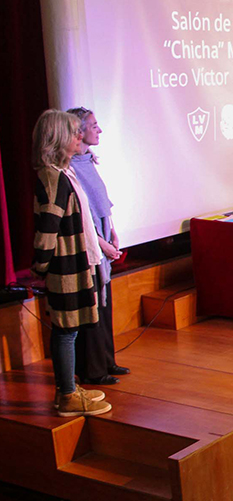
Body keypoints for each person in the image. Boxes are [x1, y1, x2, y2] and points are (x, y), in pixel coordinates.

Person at [30, 109, 111, 416]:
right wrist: (40, 266)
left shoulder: (64, 173)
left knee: (72, 330)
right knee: (65, 331)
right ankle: (66, 395)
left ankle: (69, 387)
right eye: (74, 132)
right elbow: (48, 229)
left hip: (76, 261)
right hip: (63, 266)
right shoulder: (51, 177)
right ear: (58, 138)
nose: (80, 136)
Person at [67, 107, 130, 385]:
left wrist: (113, 232)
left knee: (105, 306)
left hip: (103, 242)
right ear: (78, 132)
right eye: (93, 125)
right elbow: (83, 215)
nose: (99, 129)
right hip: (88, 247)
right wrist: (102, 244)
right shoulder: (69, 168)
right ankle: (92, 369)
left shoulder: (88, 161)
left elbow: (101, 204)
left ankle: (107, 360)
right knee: (93, 306)